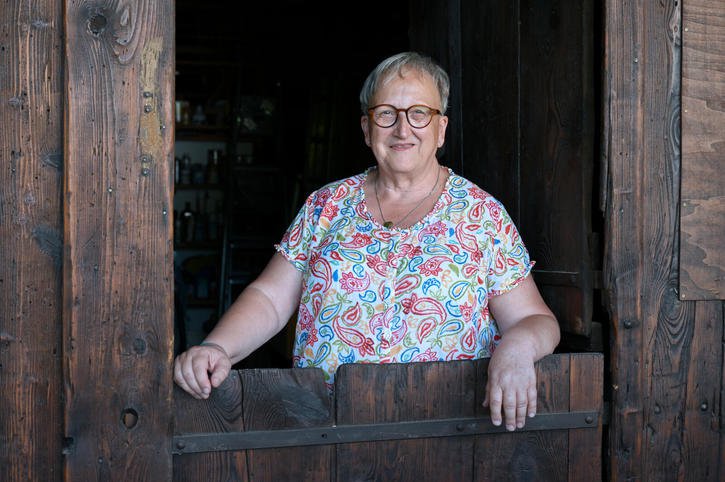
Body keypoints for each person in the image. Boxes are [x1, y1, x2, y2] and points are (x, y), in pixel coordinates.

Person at [174, 51, 560, 432]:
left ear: (441, 129)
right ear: (366, 128)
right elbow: (271, 299)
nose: (403, 129)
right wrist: (218, 347)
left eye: (419, 113)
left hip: (448, 433)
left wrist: (519, 347)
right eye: (386, 114)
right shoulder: (326, 205)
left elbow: (533, 318)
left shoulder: (482, 215)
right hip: (326, 427)